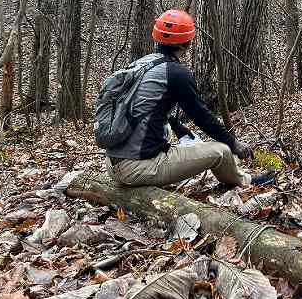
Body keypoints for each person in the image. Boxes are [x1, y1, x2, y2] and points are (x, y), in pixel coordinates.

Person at [104, 9, 271, 188]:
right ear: (188, 43)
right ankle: (248, 183)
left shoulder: (141, 64)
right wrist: (233, 143)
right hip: (138, 169)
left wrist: (180, 128)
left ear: (156, 37)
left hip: (113, 164)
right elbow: (201, 116)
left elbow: (149, 109)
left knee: (172, 135)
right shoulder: (176, 73)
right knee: (221, 152)